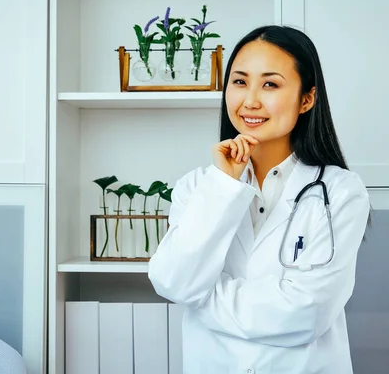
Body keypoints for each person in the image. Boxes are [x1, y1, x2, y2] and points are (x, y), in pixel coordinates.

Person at [148, 25, 371, 374]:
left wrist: (202, 297)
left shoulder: (340, 191)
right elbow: (172, 282)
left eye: (270, 84)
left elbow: (306, 314)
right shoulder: (198, 187)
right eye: (239, 82)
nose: (250, 100)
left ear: (307, 99)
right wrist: (223, 185)